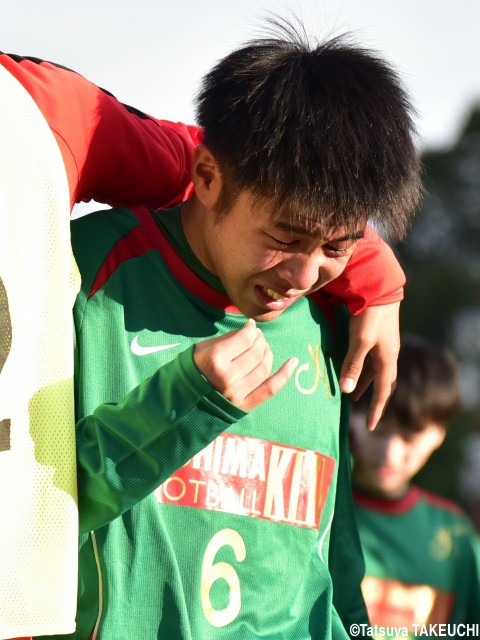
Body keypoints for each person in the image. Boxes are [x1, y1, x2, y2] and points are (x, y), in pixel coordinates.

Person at [0, 42, 414, 639]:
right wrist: (180, 404)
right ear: (209, 179)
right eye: (286, 236)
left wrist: (376, 279)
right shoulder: (82, 276)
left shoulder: (336, 314)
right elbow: (30, 516)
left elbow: (332, 553)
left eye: (336, 247)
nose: (302, 276)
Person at [350, 336, 480, 638]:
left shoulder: (457, 538)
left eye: (409, 439)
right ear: (352, 416)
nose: (390, 454)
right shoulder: (322, 510)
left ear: (439, 435)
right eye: (378, 430)